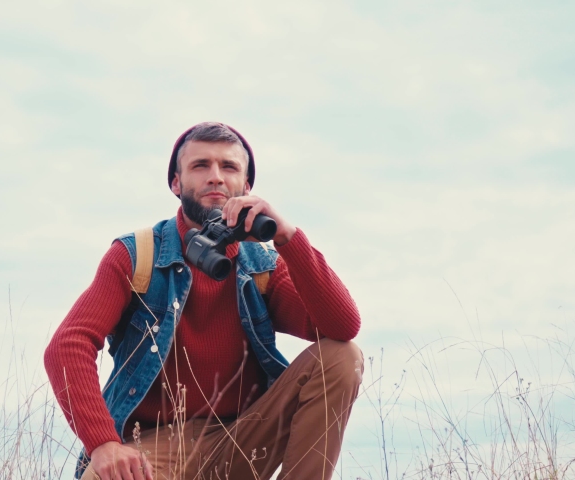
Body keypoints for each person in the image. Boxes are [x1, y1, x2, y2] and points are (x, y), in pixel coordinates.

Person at [44, 122, 363, 480]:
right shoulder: (138, 256)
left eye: (228, 167)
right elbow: (67, 346)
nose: (215, 177)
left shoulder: (262, 266)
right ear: (176, 183)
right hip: (151, 446)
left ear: (247, 186)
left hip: (245, 437)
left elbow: (342, 327)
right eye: (200, 166)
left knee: (342, 356)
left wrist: (289, 237)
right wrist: (103, 445)